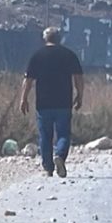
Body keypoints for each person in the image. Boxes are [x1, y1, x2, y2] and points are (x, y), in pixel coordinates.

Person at [20, 27, 84, 178]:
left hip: (43, 103)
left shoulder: (37, 56)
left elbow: (28, 81)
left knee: (45, 135)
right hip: (63, 102)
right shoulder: (69, 55)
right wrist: (80, 95)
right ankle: (60, 155)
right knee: (63, 134)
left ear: (45, 38)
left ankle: (48, 167)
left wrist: (23, 99)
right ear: (60, 39)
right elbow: (78, 77)